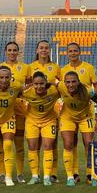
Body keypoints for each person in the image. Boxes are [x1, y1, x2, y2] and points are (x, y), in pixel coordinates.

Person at [60, 42, 97, 184]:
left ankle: (90, 175)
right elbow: (58, 88)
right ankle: (73, 174)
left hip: (86, 113)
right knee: (70, 143)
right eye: (70, 51)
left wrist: (88, 97)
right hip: (68, 113)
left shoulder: (88, 67)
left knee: (88, 143)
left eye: (75, 50)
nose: (73, 53)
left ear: (79, 52)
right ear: (67, 53)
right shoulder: (63, 70)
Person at [0, 42, 30, 183]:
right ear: (5, 51)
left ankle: (20, 173)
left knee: (19, 142)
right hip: (3, 110)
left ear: (18, 52)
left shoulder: (25, 68)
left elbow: (29, 85)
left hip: (20, 108)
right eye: (9, 50)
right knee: (2, 142)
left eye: (15, 50)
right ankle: (2, 172)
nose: (12, 52)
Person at [29, 40, 61, 182]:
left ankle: (51, 174)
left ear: (49, 50)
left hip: (51, 108)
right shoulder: (30, 67)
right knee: (34, 144)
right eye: (41, 48)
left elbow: (61, 86)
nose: (44, 50)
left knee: (51, 144)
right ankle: (35, 175)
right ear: (37, 50)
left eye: (46, 48)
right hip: (34, 109)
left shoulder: (56, 67)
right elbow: (27, 87)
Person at [22, 71, 60, 186]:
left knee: (48, 146)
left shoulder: (54, 91)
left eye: (42, 84)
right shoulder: (27, 92)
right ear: (32, 84)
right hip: (32, 121)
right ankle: (35, 176)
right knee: (32, 147)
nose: (39, 87)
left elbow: (66, 90)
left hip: (49, 121)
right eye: (36, 84)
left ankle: (47, 176)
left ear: (45, 83)